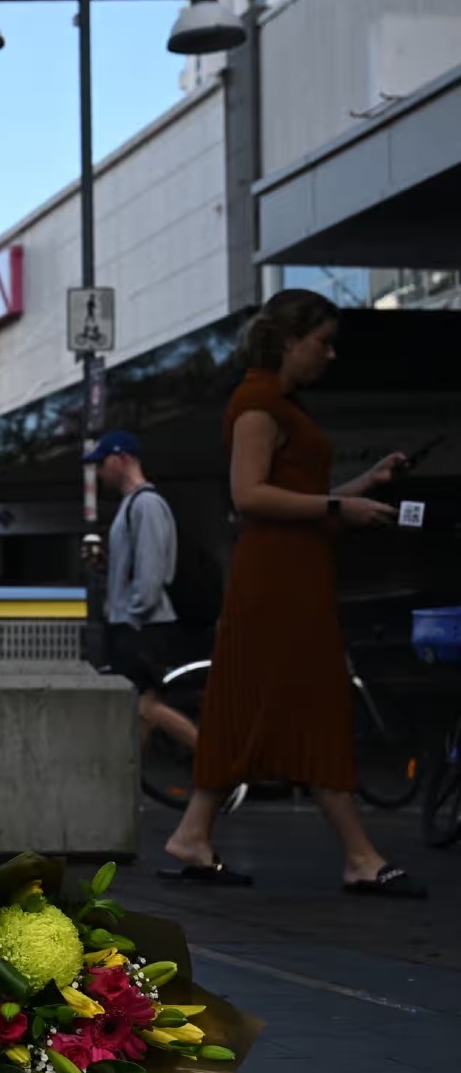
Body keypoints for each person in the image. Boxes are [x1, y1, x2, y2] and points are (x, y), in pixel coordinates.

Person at [162, 290, 425, 898]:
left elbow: (287, 495)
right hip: (279, 579)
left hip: (288, 572)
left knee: (256, 701)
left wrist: (362, 486)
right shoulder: (259, 403)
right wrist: (342, 502)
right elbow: (248, 496)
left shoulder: (275, 403)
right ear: (289, 341)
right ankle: (359, 855)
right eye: (321, 342)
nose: (329, 355)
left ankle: (193, 835)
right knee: (312, 700)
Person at [83, 432, 202, 770]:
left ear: (120, 459)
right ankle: (128, 784)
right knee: (140, 713)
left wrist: (133, 615)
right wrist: (106, 567)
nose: (100, 474)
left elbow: (150, 574)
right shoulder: (133, 506)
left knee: (142, 707)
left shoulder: (146, 504)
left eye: (101, 464)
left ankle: (214, 759)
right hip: (137, 622)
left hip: (143, 626)